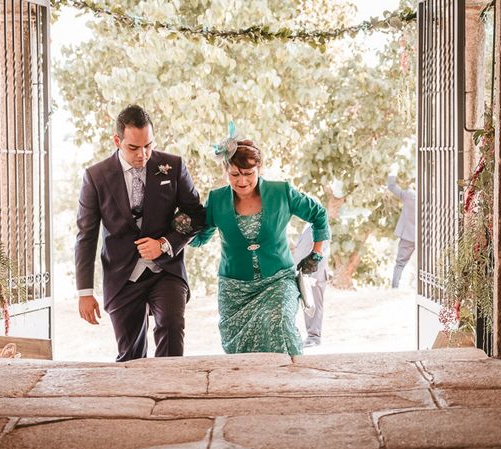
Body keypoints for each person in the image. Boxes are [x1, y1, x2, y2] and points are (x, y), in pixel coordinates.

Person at [75, 105, 205, 362]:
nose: (143, 154)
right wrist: (84, 292)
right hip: (122, 275)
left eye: (148, 145)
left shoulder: (173, 166)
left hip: (165, 270)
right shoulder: (96, 177)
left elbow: (196, 214)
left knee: (171, 324)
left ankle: (170, 394)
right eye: (134, 148)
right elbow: (86, 236)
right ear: (117, 141)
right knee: (130, 355)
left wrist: (166, 243)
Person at [190, 123, 330, 355]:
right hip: (234, 289)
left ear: (259, 168)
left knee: (280, 322)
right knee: (240, 353)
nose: (241, 181)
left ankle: (288, 384)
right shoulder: (216, 200)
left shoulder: (281, 192)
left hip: (278, 280)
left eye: (248, 174)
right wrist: (184, 227)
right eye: (234, 175)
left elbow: (318, 214)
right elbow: (199, 239)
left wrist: (316, 254)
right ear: (226, 171)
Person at [293, 225, 329, 348]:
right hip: (305, 273)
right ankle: (310, 336)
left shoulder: (319, 226)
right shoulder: (306, 227)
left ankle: (314, 337)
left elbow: (321, 249)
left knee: (314, 304)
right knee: (308, 304)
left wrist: (313, 272)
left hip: (314, 273)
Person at [388, 172, 416, 288]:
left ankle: (395, 288)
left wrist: (393, 172)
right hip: (425, 236)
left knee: (399, 264)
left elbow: (392, 186)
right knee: (426, 266)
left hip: (408, 236)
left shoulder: (409, 195)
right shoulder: (431, 197)